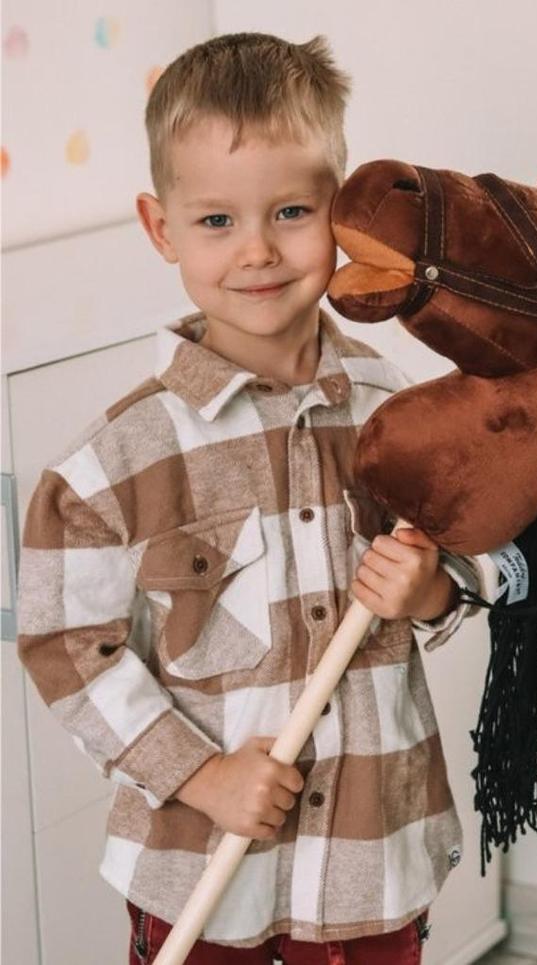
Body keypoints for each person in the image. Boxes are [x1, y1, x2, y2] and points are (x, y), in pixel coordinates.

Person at [16, 31, 484, 964]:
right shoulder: (117, 460)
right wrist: (197, 774)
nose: (260, 250)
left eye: (293, 210)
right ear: (161, 228)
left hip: (370, 863)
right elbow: (67, 646)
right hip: (201, 875)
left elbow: (464, 566)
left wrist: (431, 591)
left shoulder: (399, 410)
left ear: (339, 215)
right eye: (217, 220)